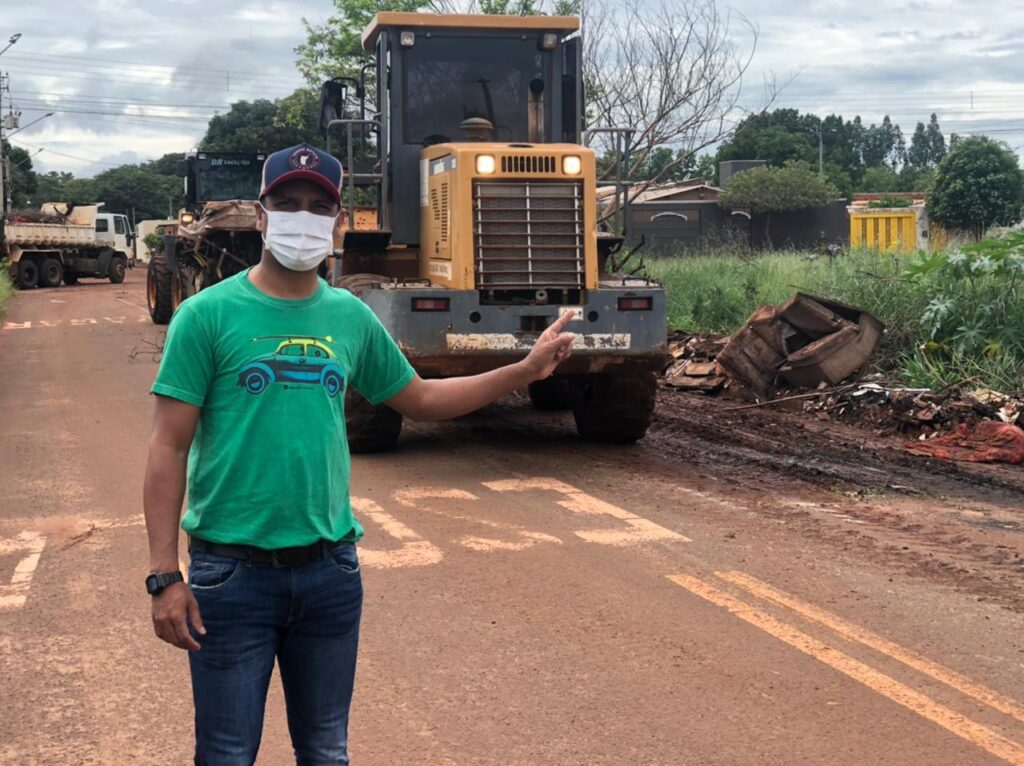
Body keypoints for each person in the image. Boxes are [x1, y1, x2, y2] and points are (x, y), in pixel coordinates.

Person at [143, 143, 576, 766]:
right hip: (229, 579)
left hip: (330, 576)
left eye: (320, 207)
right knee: (227, 752)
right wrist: (164, 577)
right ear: (260, 217)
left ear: (339, 223)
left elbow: (420, 399)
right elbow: (168, 446)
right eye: (286, 204)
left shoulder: (350, 316)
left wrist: (523, 371)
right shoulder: (205, 316)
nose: (303, 217)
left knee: (326, 750)